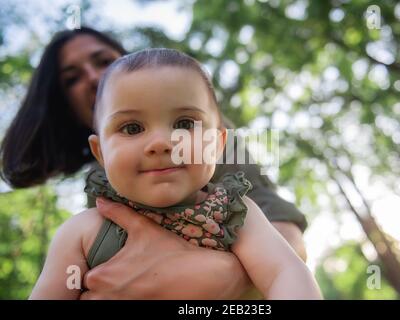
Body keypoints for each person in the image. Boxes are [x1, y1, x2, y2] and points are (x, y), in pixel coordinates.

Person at [1, 27, 308, 299]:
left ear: (217, 142)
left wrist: (211, 281)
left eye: (185, 123)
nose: (161, 143)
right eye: (132, 128)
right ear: (100, 152)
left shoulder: (236, 215)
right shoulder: (81, 233)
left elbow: (286, 272)